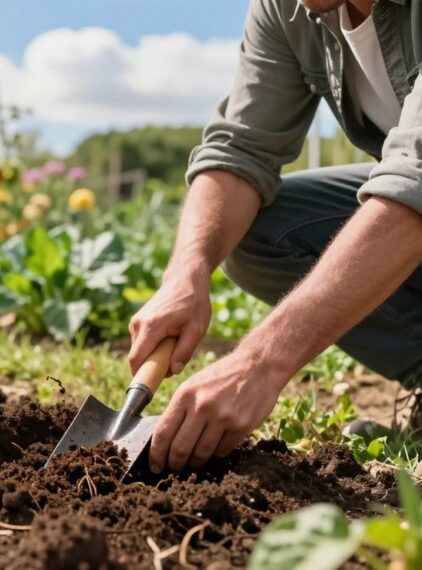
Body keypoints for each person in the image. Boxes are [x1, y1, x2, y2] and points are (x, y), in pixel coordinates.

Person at [131, 0, 422, 473]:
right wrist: (186, 272)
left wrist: (262, 361)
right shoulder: (287, 9)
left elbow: (416, 178)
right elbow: (242, 149)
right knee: (260, 232)